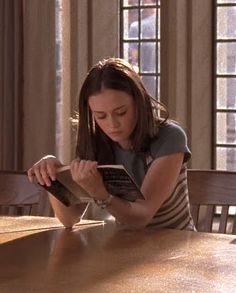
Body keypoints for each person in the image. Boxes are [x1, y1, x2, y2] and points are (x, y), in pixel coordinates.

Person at [28, 57, 195, 231]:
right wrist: (53, 178)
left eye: (121, 112)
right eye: (100, 116)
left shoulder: (170, 137)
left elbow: (141, 217)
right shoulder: (96, 140)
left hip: (176, 245)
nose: (112, 124)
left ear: (139, 102)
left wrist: (101, 194)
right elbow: (70, 219)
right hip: (126, 247)